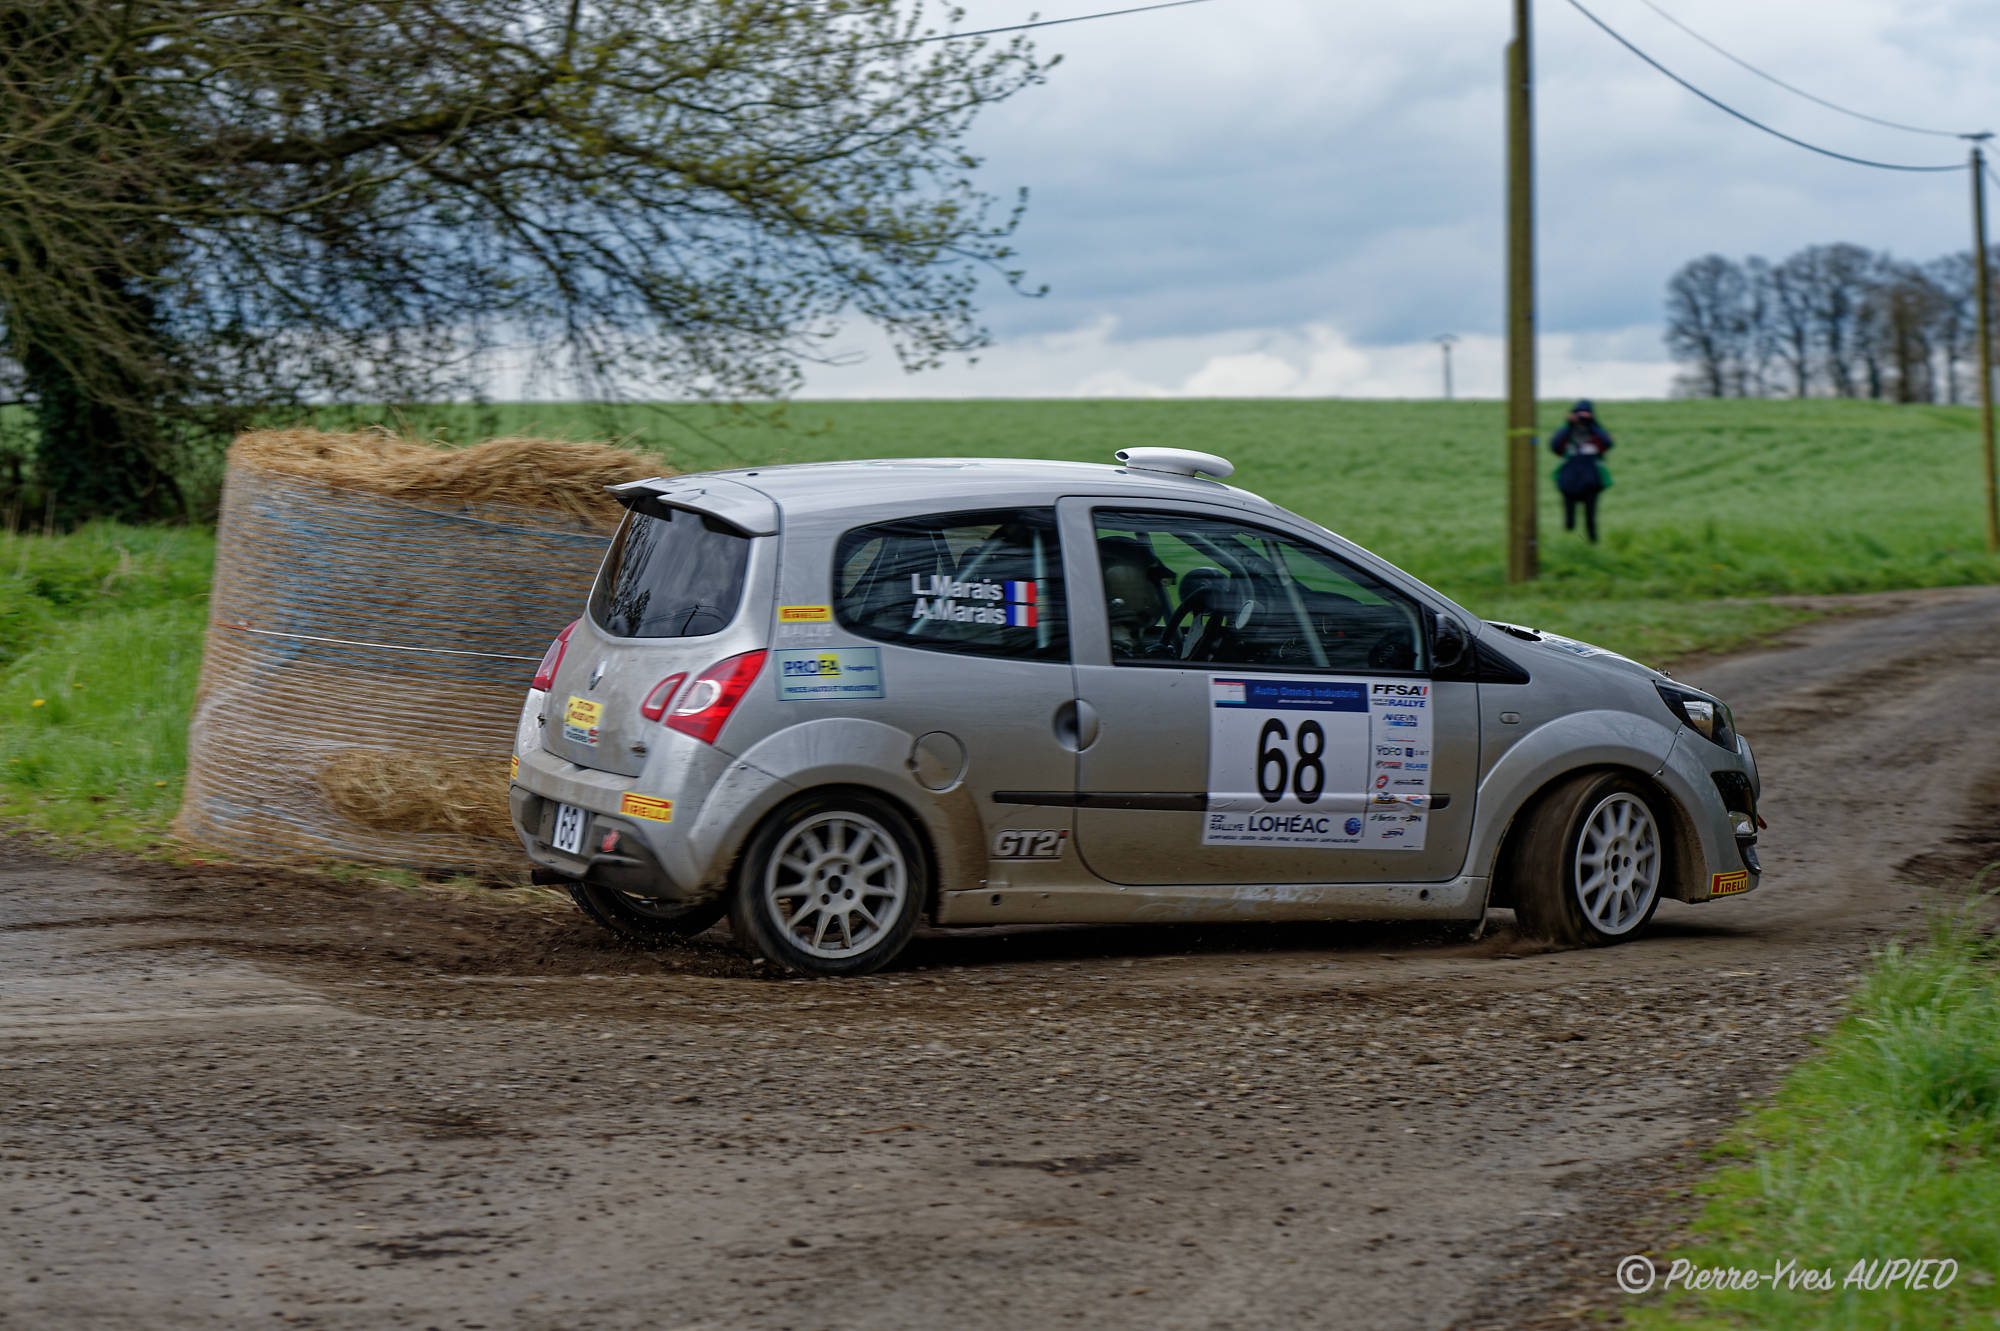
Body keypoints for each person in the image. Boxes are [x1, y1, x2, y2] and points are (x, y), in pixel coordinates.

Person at [1549, 399, 1614, 543]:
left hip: (1590, 482)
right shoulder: (1568, 432)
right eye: (1579, 414)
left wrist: (1592, 424)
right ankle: (1568, 543)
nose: (1582, 418)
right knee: (1569, 519)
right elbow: (1554, 446)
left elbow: (1608, 443)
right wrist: (1568, 424)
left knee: (1590, 519)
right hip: (1569, 482)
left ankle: (1592, 545)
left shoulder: (1595, 432)